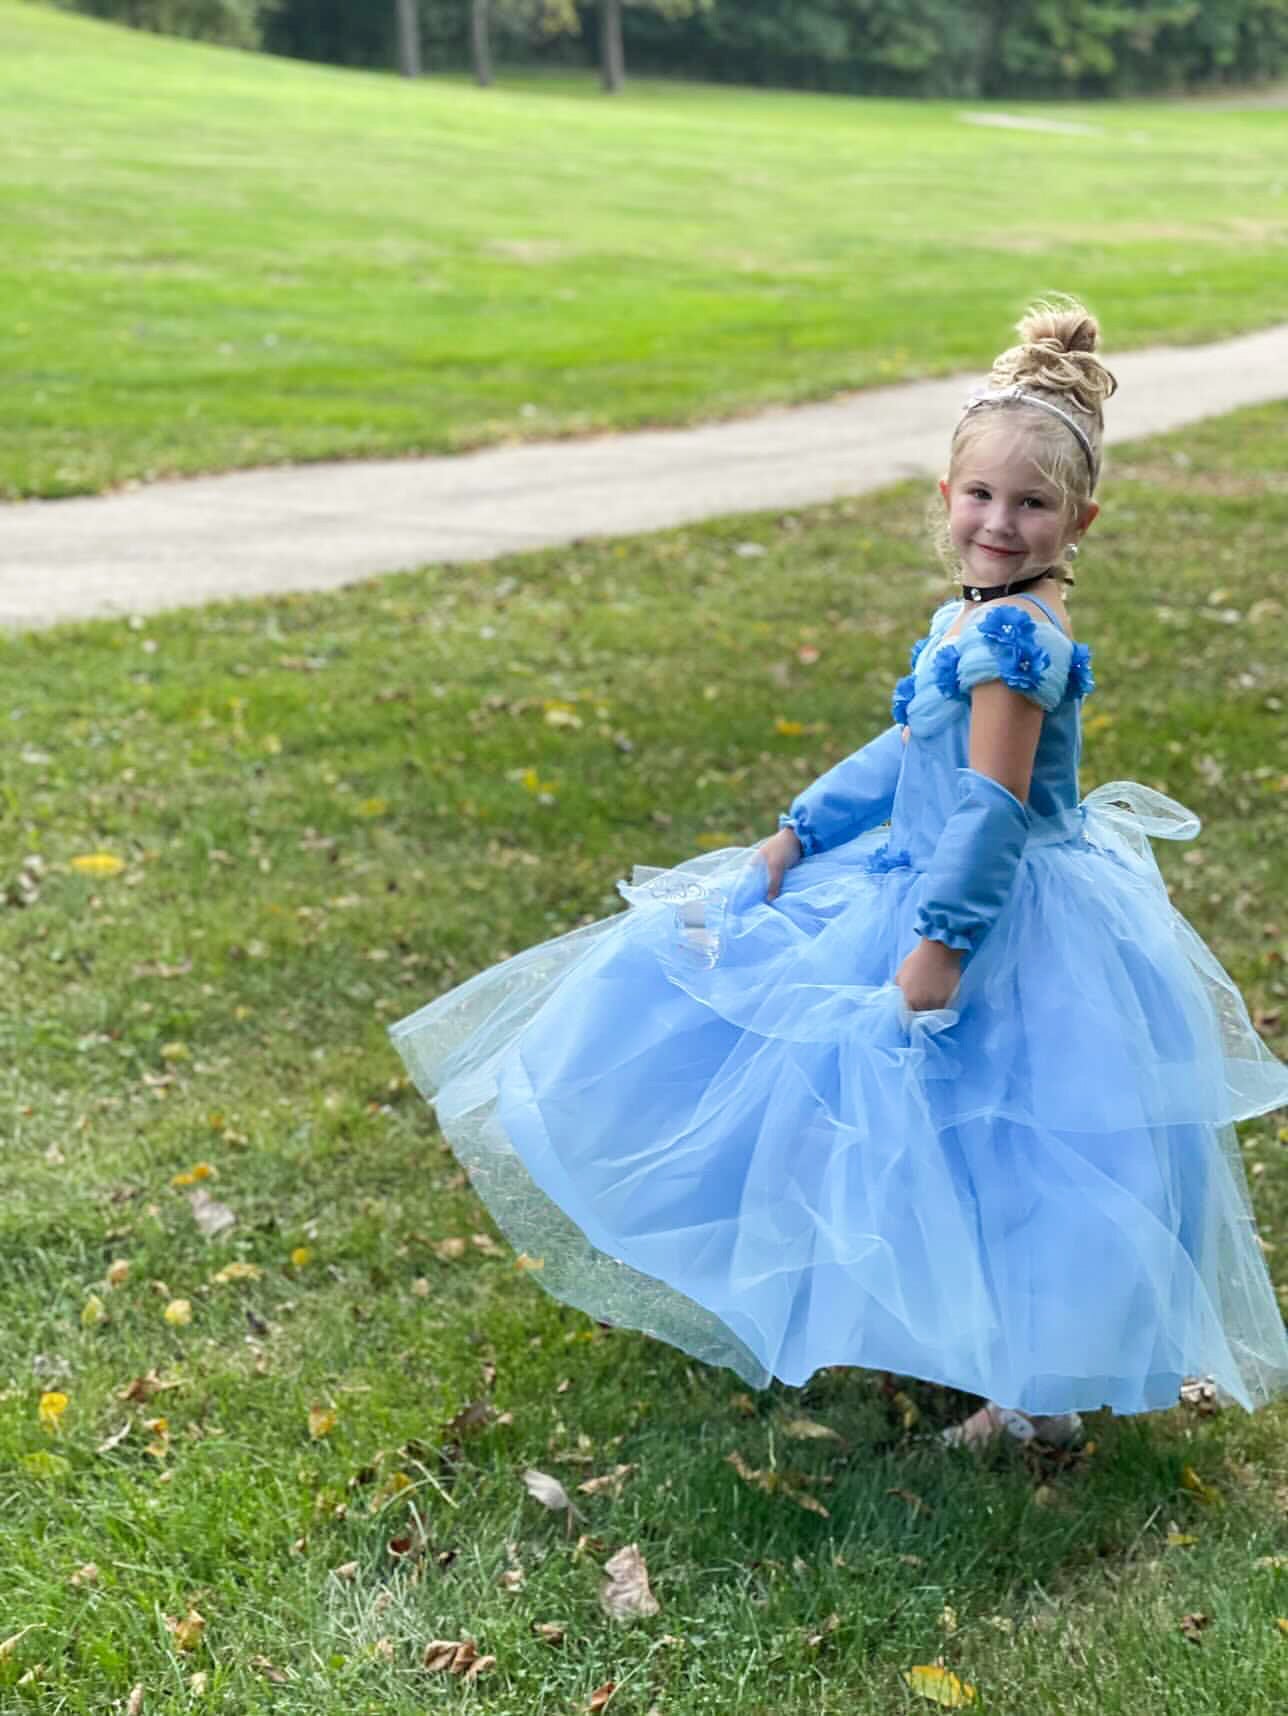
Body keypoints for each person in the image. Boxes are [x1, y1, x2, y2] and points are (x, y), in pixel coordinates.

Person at [391, 300, 1288, 1450]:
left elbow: (991, 807)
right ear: (945, 498)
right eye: (980, 496)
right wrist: (796, 835)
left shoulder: (1018, 643)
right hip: (916, 876)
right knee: (914, 1123)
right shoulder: (976, 617)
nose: (999, 523)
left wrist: (938, 950)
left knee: (1015, 1143)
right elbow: (910, 744)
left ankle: (1036, 1397)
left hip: (992, 916)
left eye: (1032, 504)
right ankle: (924, 1319)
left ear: (1082, 519)